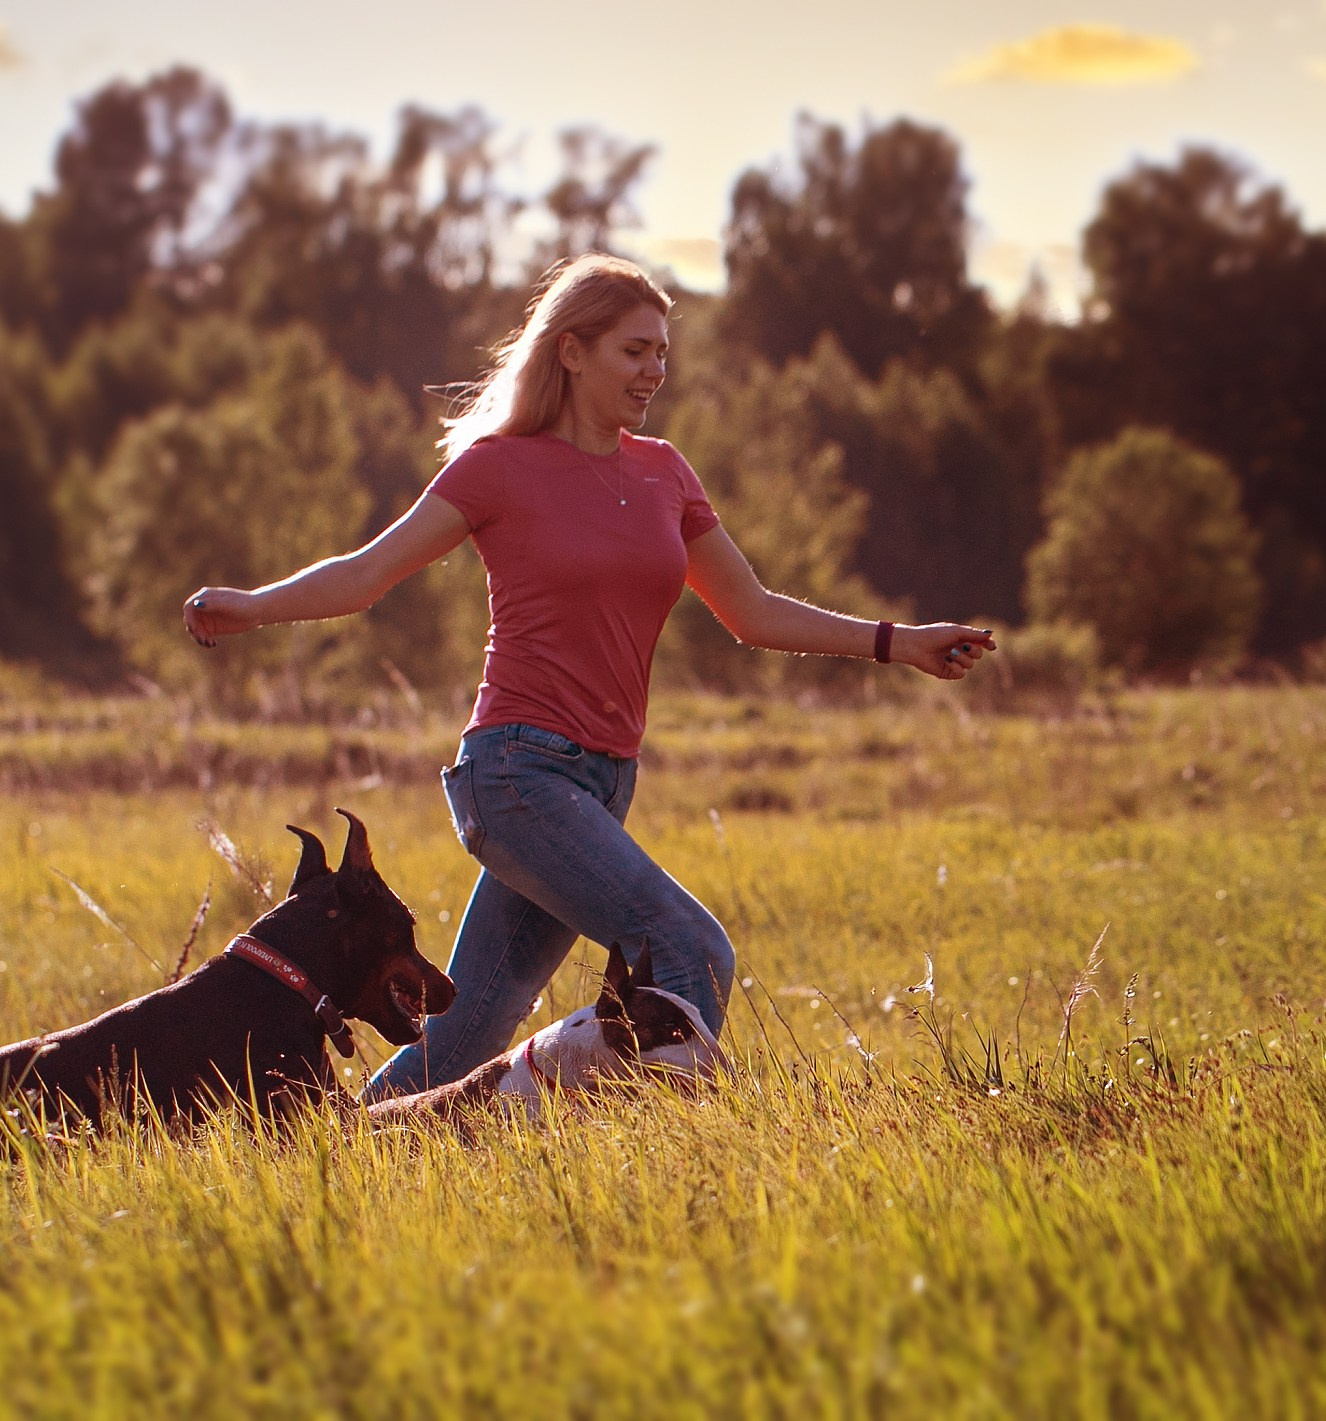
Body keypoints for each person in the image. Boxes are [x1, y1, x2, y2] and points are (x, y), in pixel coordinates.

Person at [181, 253, 995, 1099]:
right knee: (690, 949)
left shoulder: (665, 472)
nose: (655, 371)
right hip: (517, 773)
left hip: (603, 784)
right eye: (634, 351)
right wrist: (248, 605)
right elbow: (365, 575)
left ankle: (341, 1146)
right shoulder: (499, 467)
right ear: (571, 351)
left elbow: (750, 610)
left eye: (662, 353)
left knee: (467, 1030)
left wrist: (898, 641)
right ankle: (668, 1132)